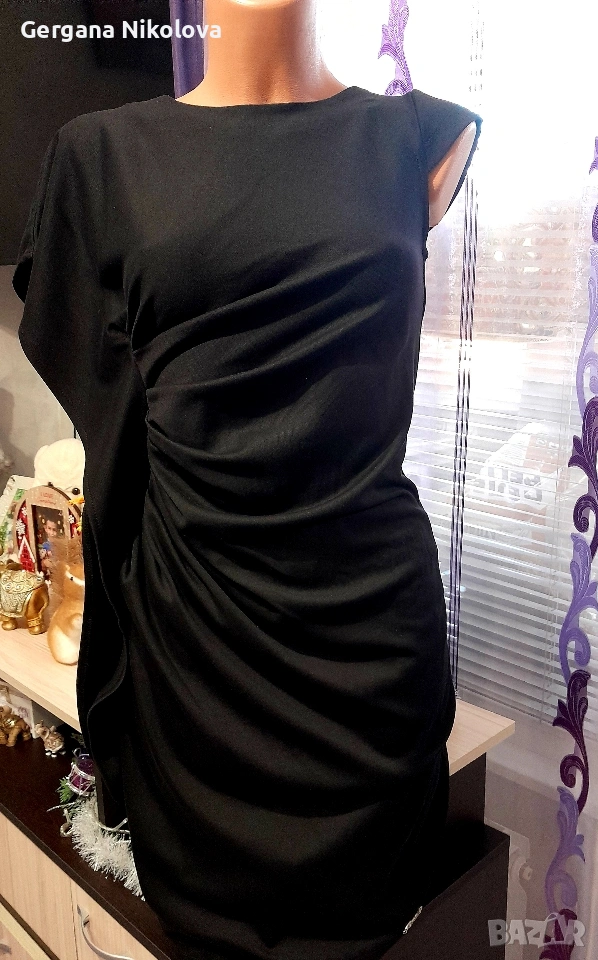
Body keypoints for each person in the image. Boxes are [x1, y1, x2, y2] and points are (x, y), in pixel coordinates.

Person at [12, 1, 482, 956]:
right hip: (199, 671)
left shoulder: (419, 138)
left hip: (369, 671)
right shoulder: (100, 160)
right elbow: (108, 410)